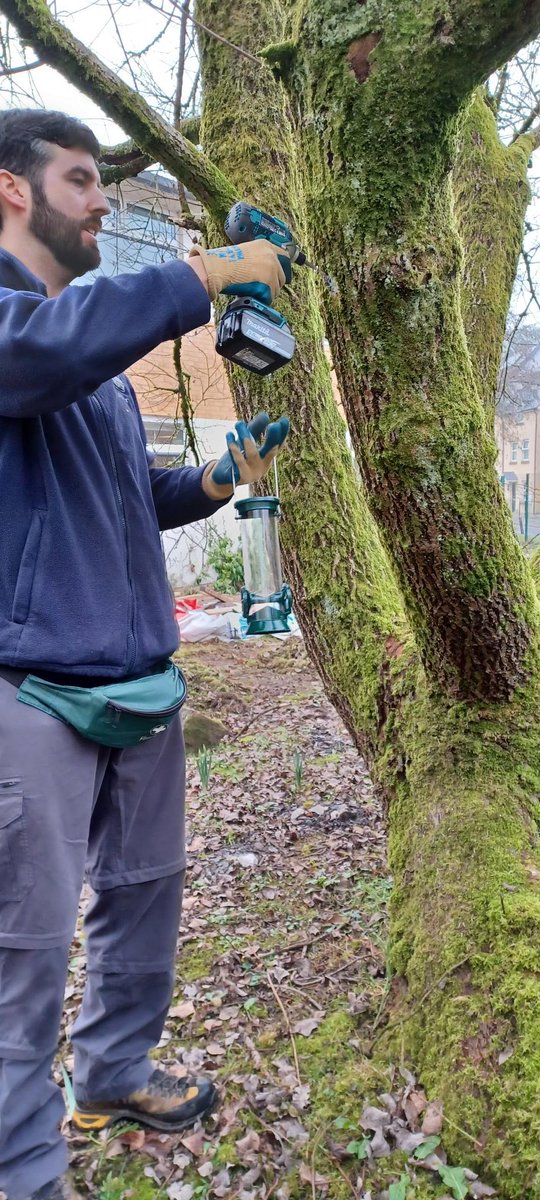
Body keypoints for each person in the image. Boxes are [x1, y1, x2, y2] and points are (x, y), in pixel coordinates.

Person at [0, 109, 291, 1200]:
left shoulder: (93, 352)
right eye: (81, 179)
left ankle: (114, 1072)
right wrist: (208, 269)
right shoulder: (27, 331)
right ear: (13, 190)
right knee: (22, 951)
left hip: (139, 683)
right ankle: (24, 1171)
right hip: (29, 690)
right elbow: (37, 363)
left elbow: (125, 498)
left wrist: (214, 482)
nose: (101, 198)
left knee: (145, 891)